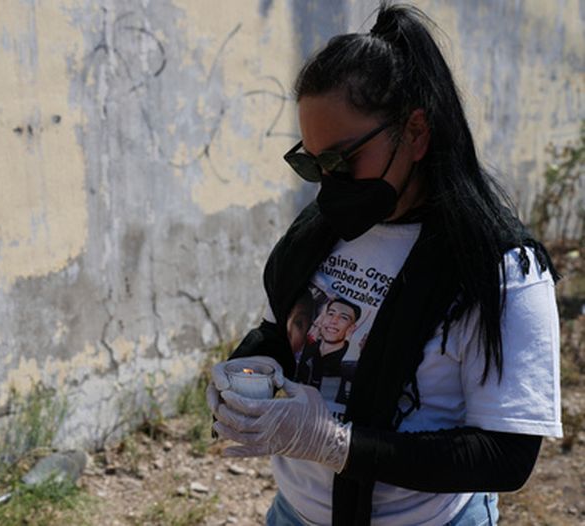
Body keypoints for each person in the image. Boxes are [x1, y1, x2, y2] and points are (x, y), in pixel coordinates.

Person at [206, 3, 562, 525]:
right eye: (313, 162)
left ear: (415, 133)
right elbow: (281, 335)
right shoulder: (320, 231)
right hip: (295, 514)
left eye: (345, 159)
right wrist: (241, 374)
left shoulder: (498, 268)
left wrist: (336, 444)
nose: (331, 182)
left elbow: (504, 458)